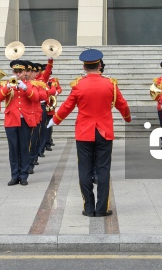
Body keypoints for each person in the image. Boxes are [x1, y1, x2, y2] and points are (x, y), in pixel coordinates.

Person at [48, 49, 131, 217]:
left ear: (84, 67)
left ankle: (88, 207)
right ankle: (102, 208)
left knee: (85, 170)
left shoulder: (78, 85)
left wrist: (54, 120)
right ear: (99, 65)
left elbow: (67, 106)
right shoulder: (111, 84)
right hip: (104, 132)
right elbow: (123, 104)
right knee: (103, 170)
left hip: (84, 133)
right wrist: (127, 118)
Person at [0, 60, 39, 186]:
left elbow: (36, 98)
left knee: (24, 148)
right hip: (11, 120)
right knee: (13, 149)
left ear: (25, 72)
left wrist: (25, 88)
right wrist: (8, 87)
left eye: (20, 71)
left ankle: (24, 175)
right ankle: (14, 175)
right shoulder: (7, 84)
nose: (18, 74)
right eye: (16, 71)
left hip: (26, 120)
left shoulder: (30, 84)